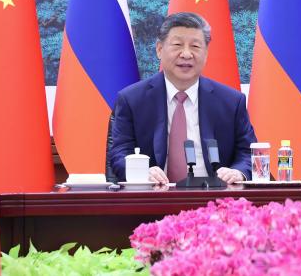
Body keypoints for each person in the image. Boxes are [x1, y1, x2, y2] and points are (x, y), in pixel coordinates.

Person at [109, 12, 256, 184]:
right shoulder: (132, 100)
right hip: (153, 198)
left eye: (195, 46)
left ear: (206, 53)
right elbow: (119, 153)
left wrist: (238, 172)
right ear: (159, 49)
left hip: (214, 201)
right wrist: (141, 173)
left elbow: (248, 152)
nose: (186, 54)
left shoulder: (231, 101)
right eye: (178, 45)